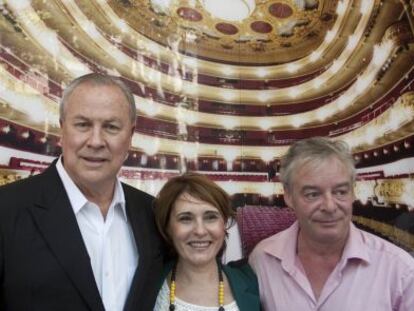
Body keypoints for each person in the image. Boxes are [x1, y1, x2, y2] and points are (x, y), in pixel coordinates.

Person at [0, 73, 164, 311]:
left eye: (111, 127)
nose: (96, 141)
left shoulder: (153, 215)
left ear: (130, 135)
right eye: (83, 125)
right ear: (62, 129)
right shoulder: (6, 209)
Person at [249, 137, 414, 311]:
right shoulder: (262, 260)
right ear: (288, 196)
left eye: (340, 192)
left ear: (353, 192)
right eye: (312, 194)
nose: (329, 206)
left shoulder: (400, 270)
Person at [153, 173, 260, 311]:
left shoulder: (254, 285)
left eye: (210, 217)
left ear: (224, 224)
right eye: (185, 218)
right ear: (167, 227)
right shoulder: (146, 286)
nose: (200, 231)